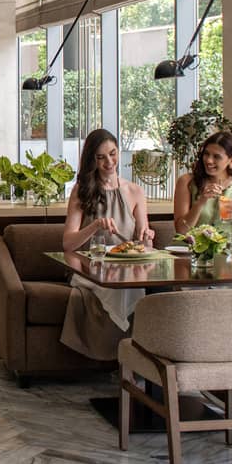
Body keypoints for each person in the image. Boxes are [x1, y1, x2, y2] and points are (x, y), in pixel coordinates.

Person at [58, 128, 155, 361]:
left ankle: (136, 361)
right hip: (90, 269)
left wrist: (147, 237)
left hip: (127, 268)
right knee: (122, 290)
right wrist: (95, 227)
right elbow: (68, 244)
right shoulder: (81, 192)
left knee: (135, 286)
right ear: (92, 160)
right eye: (101, 157)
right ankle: (122, 357)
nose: (109, 162)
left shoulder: (135, 191)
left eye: (112, 154)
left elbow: (144, 243)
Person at [172, 131, 232, 235]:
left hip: (227, 249)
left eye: (216, 157)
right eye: (206, 154)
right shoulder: (186, 182)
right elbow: (181, 230)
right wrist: (200, 202)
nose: (209, 160)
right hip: (191, 249)